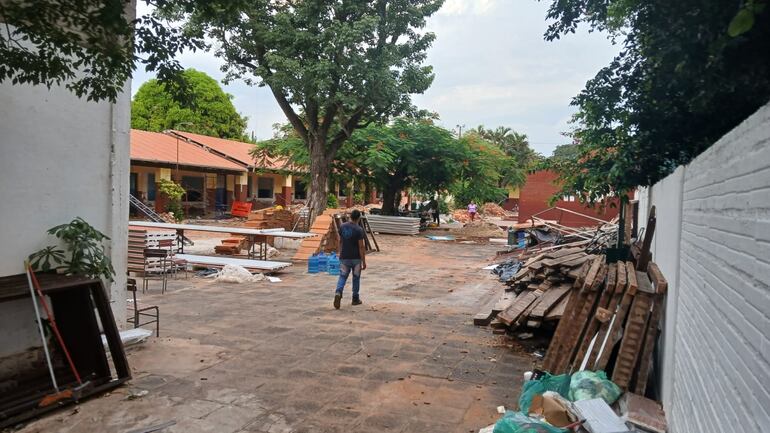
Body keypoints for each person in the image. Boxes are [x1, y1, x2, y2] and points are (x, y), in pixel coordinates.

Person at [334, 209, 367, 309]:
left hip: (344, 257)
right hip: (356, 259)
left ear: (350, 216)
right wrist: (363, 261)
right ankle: (355, 299)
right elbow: (361, 247)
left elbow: (340, 241)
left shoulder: (343, 226)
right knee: (356, 278)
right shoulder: (359, 230)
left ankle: (338, 292)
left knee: (342, 276)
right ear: (358, 218)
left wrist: (340, 252)